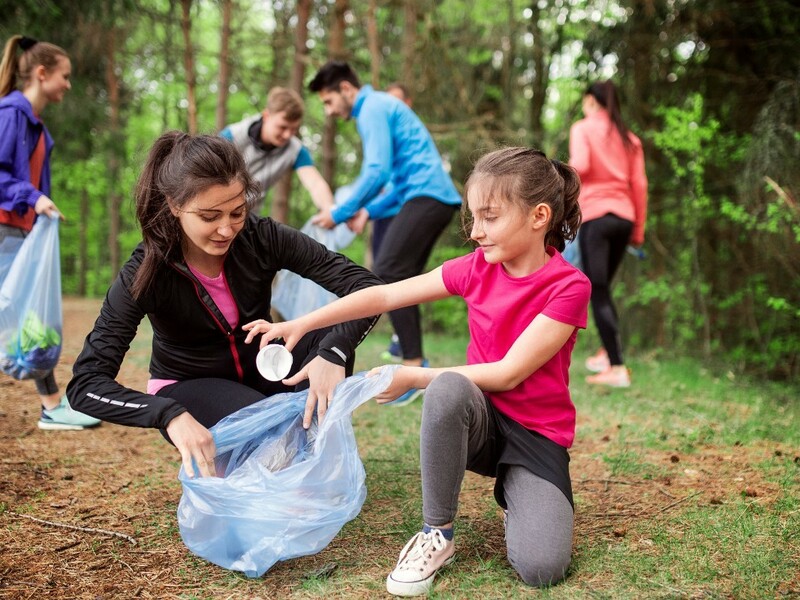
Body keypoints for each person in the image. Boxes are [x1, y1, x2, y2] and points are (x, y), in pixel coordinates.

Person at [244, 147, 590, 595]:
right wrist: (302, 323)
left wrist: (408, 376)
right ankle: (436, 533)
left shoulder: (568, 286)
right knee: (449, 387)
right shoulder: (476, 268)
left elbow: (507, 374)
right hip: (477, 419)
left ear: (539, 215)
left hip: (535, 435)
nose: (476, 232)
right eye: (472, 218)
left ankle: (518, 490)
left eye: (490, 217)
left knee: (542, 569)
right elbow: (384, 296)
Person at [66, 132, 383, 478]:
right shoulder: (147, 271)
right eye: (209, 216)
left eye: (237, 212)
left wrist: (333, 352)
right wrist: (166, 413)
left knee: (329, 338)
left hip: (265, 367)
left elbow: (366, 288)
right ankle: (279, 458)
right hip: (190, 386)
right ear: (174, 205)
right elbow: (86, 384)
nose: (226, 229)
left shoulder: (261, 237)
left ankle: (300, 456)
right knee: (269, 435)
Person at [308, 62, 462, 405]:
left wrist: (340, 212)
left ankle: (412, 366)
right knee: (399, 277)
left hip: (429, 196)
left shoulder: (372, 108)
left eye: (329, 101)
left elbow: (376, 172)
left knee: (389, 272)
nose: (330, 111)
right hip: (426, 196)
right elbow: (395, 183)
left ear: (347, 89)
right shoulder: (380, 107)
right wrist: (367, 211)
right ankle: (414, 363)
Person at [0, 34, 100, 431]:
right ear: (42, 74)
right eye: (65, 76)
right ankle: (52, 405)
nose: (68, 84)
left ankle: (52, 406)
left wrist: (40, 206)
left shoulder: (35, 125)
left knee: (31, 315)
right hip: (4, 229)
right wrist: (34, 197)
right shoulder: (10, 113)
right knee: (23, 314)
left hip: (18, 230)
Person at [569, 80, 648, 388]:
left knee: (597, 289)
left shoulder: (583, 128)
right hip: (625, 218)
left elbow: (582, 165)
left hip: (597, 216)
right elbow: (640, 184)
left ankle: (616, 368)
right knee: (603, 288)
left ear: (590, 100)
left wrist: (556, 176)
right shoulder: (630, 138)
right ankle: (607, 352)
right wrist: (638, 229)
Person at [346, 81, 413, 362]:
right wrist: (367, 211)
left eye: (397, 100)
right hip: (382, 214)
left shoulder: (406, 136)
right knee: (386, 271)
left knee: (394, 272)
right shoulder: (383, 134)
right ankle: (402, 342)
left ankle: (406, 346)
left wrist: (346, 211)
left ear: (407, 105)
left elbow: (386, 176)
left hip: (402, 211)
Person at [219, 86, 334, 217]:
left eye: (293, 129)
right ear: (266, 115)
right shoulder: (231, 136)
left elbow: (315, 183)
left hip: (250, 216)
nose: (287, 135)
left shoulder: (295, 149)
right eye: (283, 127)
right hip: (220, 211)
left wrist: (330, 210)